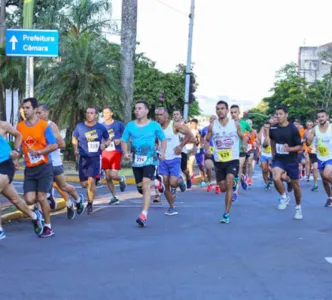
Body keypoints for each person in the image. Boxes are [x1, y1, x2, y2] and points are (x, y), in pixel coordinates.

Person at [17, 97, 58, 237]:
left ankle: (48, 226)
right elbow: (21, 146)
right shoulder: (20, 127)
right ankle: (38, 215)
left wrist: (39, 152)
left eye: (27, 108)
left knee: (41, 197)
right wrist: (16, 156)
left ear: (35, 109)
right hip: (30, 168)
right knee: (29, 199)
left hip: (44, 166)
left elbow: (54, 144)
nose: (25, 110)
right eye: (23, 108)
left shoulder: (44, 126)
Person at [121, 101, 166, 227]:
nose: (137, 111)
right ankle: (157, 182)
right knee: (141, 189)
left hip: (150, 160)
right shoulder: (130, 126)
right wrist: (125, 153)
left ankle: (143, 214)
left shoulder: (154, 125)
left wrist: (162, 152)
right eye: (136, 109)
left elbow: (163, 139)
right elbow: (124, 141)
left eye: (140, 108)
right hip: (136, 161)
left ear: (146, 111)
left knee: (146, 186)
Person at [36, 104, 85, 219]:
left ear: (47, 113)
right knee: (39, 191)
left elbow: (62, 144)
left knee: (63, 186)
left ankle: (78, 199)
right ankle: (41, 216)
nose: (38, 115)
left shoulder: (51, 126)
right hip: (41, 163)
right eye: (36, 113)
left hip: (54, 163)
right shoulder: (35, 126)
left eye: (40, 113)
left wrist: (47, 147)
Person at [0, 120, 44, 239]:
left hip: (4, 165)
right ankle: (35, 217)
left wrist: (16, 150)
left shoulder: (3, 125)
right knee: (15, 199)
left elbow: (19, 135)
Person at [204, 100, 246, 224]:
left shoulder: (235, 124)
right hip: (219, 160)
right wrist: (207, 150)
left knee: (228, 182)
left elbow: (243, 137)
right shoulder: (212, 125)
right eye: (218, 109)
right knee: (222, 188)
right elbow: (206, 140)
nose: (220, 110)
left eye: (222, 108)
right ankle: (234, 183)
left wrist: (243, 145)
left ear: (227, 111)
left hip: (232, 159)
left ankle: (226, 214)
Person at [155, 107, 194, 215]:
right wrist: (155, 146)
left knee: (172, 182)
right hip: (162, 159)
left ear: (167, 115)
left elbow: (190, 135)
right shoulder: (156, 127)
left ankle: (180, 180)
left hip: (175, 158)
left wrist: (180, 146)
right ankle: (172, 206)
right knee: (165, 183)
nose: (159, 117)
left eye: (161, 114)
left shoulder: (174, 125)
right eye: (157, 115)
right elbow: (155, 140)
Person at [72, 107, 110, 214]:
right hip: (83, 158)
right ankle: (89, 190)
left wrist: (105, 144)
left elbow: (108, 139)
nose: (89, 115)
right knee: (84, 184)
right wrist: (75, 148)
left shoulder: (100, 127)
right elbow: (74, 138)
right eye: (87, 113)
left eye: (91, 113)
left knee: (91, 181)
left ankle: (90, 204)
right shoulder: (80, 126)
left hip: (95, 158)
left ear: (96, 115)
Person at [269, 105, 303, 219]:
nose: (278, 116)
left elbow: (300, 146)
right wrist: (273, 155)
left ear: (286, 115)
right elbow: (272, 142)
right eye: (277, 114)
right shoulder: (273, 128)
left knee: (296, 187)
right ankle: (284, 197)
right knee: (275, 177)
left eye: (281, 114)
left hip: (291, 160)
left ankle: (298, 208)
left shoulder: (293, 129)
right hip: (279, 159)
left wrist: (290, 149)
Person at [101, 106, 127, 205]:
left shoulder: (118, 124)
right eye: (103, 113)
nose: (105, 115)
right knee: (108, 177)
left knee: (113, 175)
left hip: (116, 151)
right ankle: (114, 197)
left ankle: (121, 179)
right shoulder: (101, 126)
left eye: (107, 113)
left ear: (111, 113)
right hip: (105, 152)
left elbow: (126, 136)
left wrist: (119, 140)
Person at [306, 110, 332, 206]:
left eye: (322, 116)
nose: (321, 118)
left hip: (330, 156)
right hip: (320, 157)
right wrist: (308, 138)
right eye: (319, 117)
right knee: (324, 181)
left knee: (326, 175)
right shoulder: (315, 129)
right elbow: (308, 143)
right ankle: (330, 198)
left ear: (327, 117)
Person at [230, 105, 251, 201]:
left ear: (239, 112)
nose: (233, 114)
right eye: (232, 112)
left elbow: (252, 132)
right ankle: (242, 178)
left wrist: (248, 139)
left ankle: (235, 192)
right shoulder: (228, 124)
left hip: (241, 150)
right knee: (234, 172)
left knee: (238, 170)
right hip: (230, 151)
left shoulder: (244, 123)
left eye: (235, 112)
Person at [172, 110, 192, 189]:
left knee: (184, 169)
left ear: (180, 116)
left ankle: (188, 176)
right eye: (174, 114)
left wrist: (182, 142)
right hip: (171, 152)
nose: (175, 115)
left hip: (182, 151)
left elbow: (192, 139)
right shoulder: (170, 126)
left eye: (177, 114)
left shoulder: (184, 127)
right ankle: (175, 185)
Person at [201, 115, 220, 193]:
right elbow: (202, 137)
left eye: (214, 119)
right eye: (211, 119)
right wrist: (203, 145)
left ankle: (218, 186)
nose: (213, 120)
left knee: (217, 169)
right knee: (208, 166)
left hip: (219, 151)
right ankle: (210, 182)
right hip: (209, 151)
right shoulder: (205, 129)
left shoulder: (220, 128)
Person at [187, 119, 206, 186]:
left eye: (194, 124)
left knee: (201, 165)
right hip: (191, 149)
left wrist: (201, 145)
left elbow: (201, 140)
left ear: (196, 124)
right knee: (189, 164)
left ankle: (203, 179)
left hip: (199, 150)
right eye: (191, 124)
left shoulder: (199, 131)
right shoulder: (188, 131)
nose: (192, 125)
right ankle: (190, 177)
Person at [257, 122, 273, 189]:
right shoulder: (261, 134)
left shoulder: (273, 134)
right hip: (263, 154)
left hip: (271, 154)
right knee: (264, 169)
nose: (266, 129)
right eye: (265, 127)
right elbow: (258, 143)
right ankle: (267, 183)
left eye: (268, 127)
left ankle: (271, 177)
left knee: (271, 169)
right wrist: (259, 149)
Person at [304, 120, 319, 191]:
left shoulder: (327, 131)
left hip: (326, 153)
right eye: (316, 122)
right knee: (315, 168)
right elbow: (308, 143)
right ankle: (316, 185)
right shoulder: (311, 132)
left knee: (325, 173)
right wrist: (306, 151)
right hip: (314, 152)